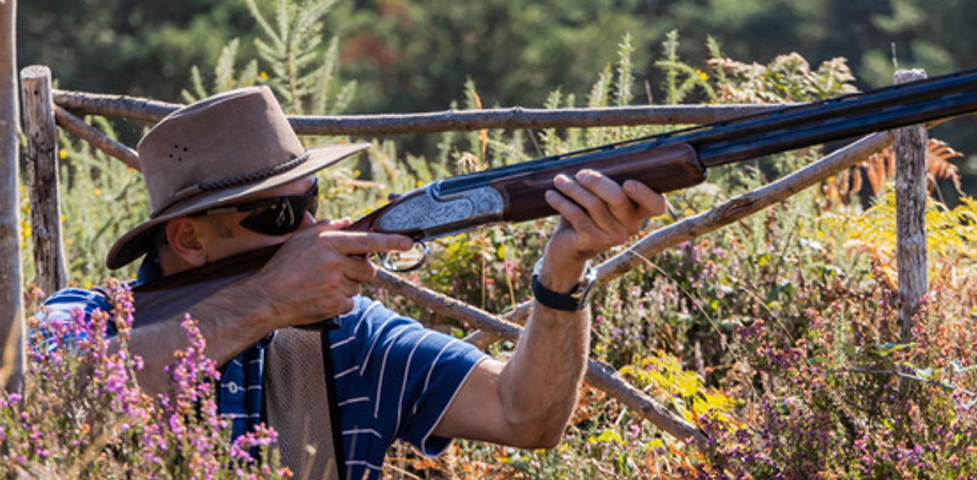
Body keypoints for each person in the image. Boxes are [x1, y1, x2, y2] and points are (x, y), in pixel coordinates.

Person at [40, 86, 666, 479]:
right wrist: (263, 301)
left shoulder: (348, 336)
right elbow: (47, 402)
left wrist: (564, 273)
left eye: (309, 201)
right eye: (277, 216)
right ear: (189, 240)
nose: (310, 228)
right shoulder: (87, 321)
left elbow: (524, 417)